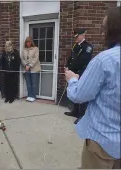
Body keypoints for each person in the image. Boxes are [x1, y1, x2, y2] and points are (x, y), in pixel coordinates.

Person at [65, 6, 120, 169]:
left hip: (104, 139)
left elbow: (79, 94)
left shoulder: (104, 59)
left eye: (104, 28)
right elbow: (72, 58)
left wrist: (73, 80)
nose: (102, 33)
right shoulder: (77, 46)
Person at [64, 28, 93, 124]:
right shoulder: (75, 46)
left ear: (82, 35)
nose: (75, 38)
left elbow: (82, 61)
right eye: (75, 37)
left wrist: (72, 70)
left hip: (81, 73)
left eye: (77, 36)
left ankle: (82, 115)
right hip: (73, 72)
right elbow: (71, 57)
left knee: (81, 93)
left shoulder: (87, 47)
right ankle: (75, 111)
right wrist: (67, 67)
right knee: (74, 91)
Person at [20, 36, 41, 102]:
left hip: (34, 69)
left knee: (33, 84)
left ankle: (33, 96)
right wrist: (26, 65)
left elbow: (36, 58)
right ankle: (29, 95)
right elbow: (22, 58)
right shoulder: (24, 50)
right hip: (26, 69)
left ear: (31, 42)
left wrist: (30, 65)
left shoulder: (36, 48)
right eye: (26, 42)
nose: (28, 43)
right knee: (28, 83)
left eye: (29, 42)